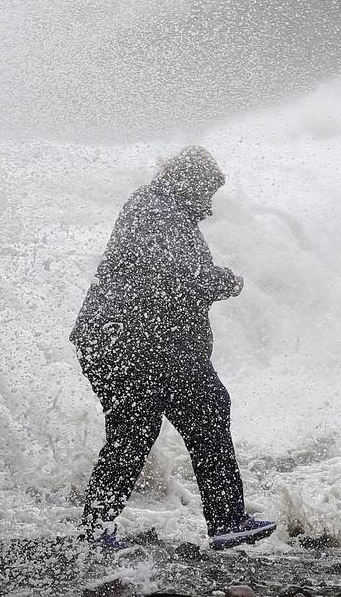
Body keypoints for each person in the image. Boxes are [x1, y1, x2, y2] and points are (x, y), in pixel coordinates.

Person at [70, 146, 276, 550]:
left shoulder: (160, 208)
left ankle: (221, 522)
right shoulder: (158, 212)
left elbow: (173, 278)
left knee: (168, 418)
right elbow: (182, 276)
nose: (209, 204)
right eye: (207, 192)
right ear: (189, 182)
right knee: (169, 418)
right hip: (130, 340)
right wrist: (225, 281)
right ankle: (222, 521)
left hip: (137, 340)